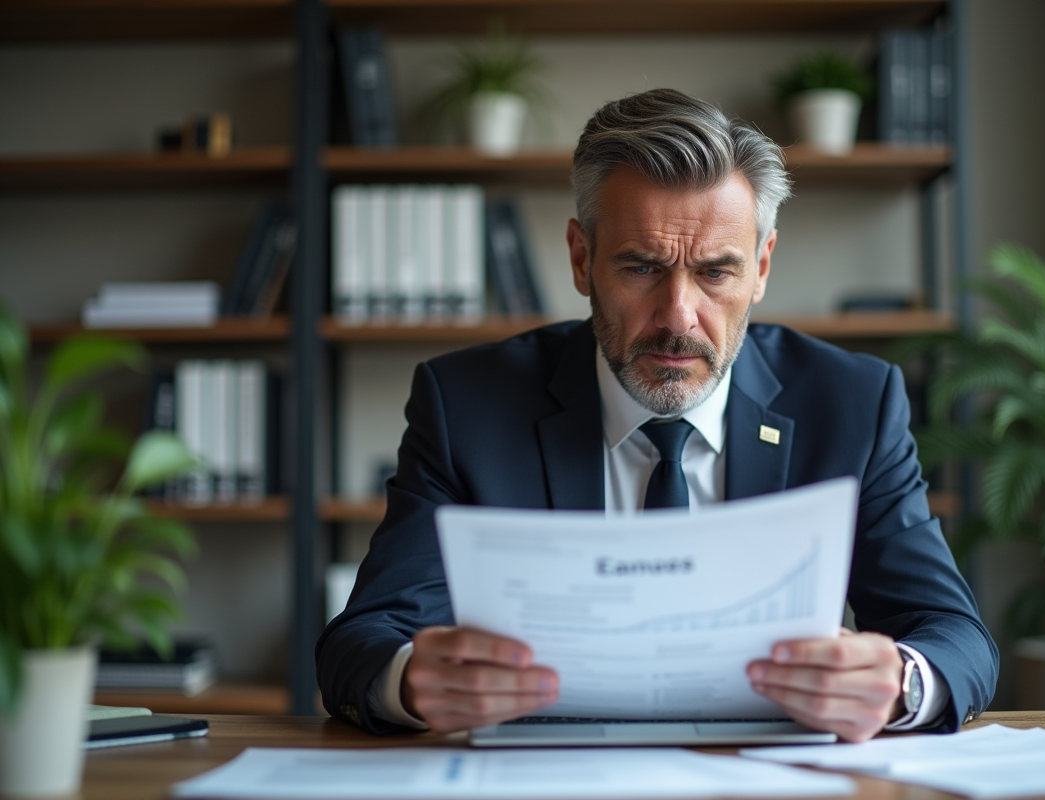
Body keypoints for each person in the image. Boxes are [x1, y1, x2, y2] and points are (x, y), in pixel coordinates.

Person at [316, 88, 998, 742]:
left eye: (715, 273)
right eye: (641, 268)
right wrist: (411, 682)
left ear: (762, 267)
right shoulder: (465, 403)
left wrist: (902, 683)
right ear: (583, 260)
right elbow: (361, 639)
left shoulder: (853, 403)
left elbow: (953, 634)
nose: (678, 318)